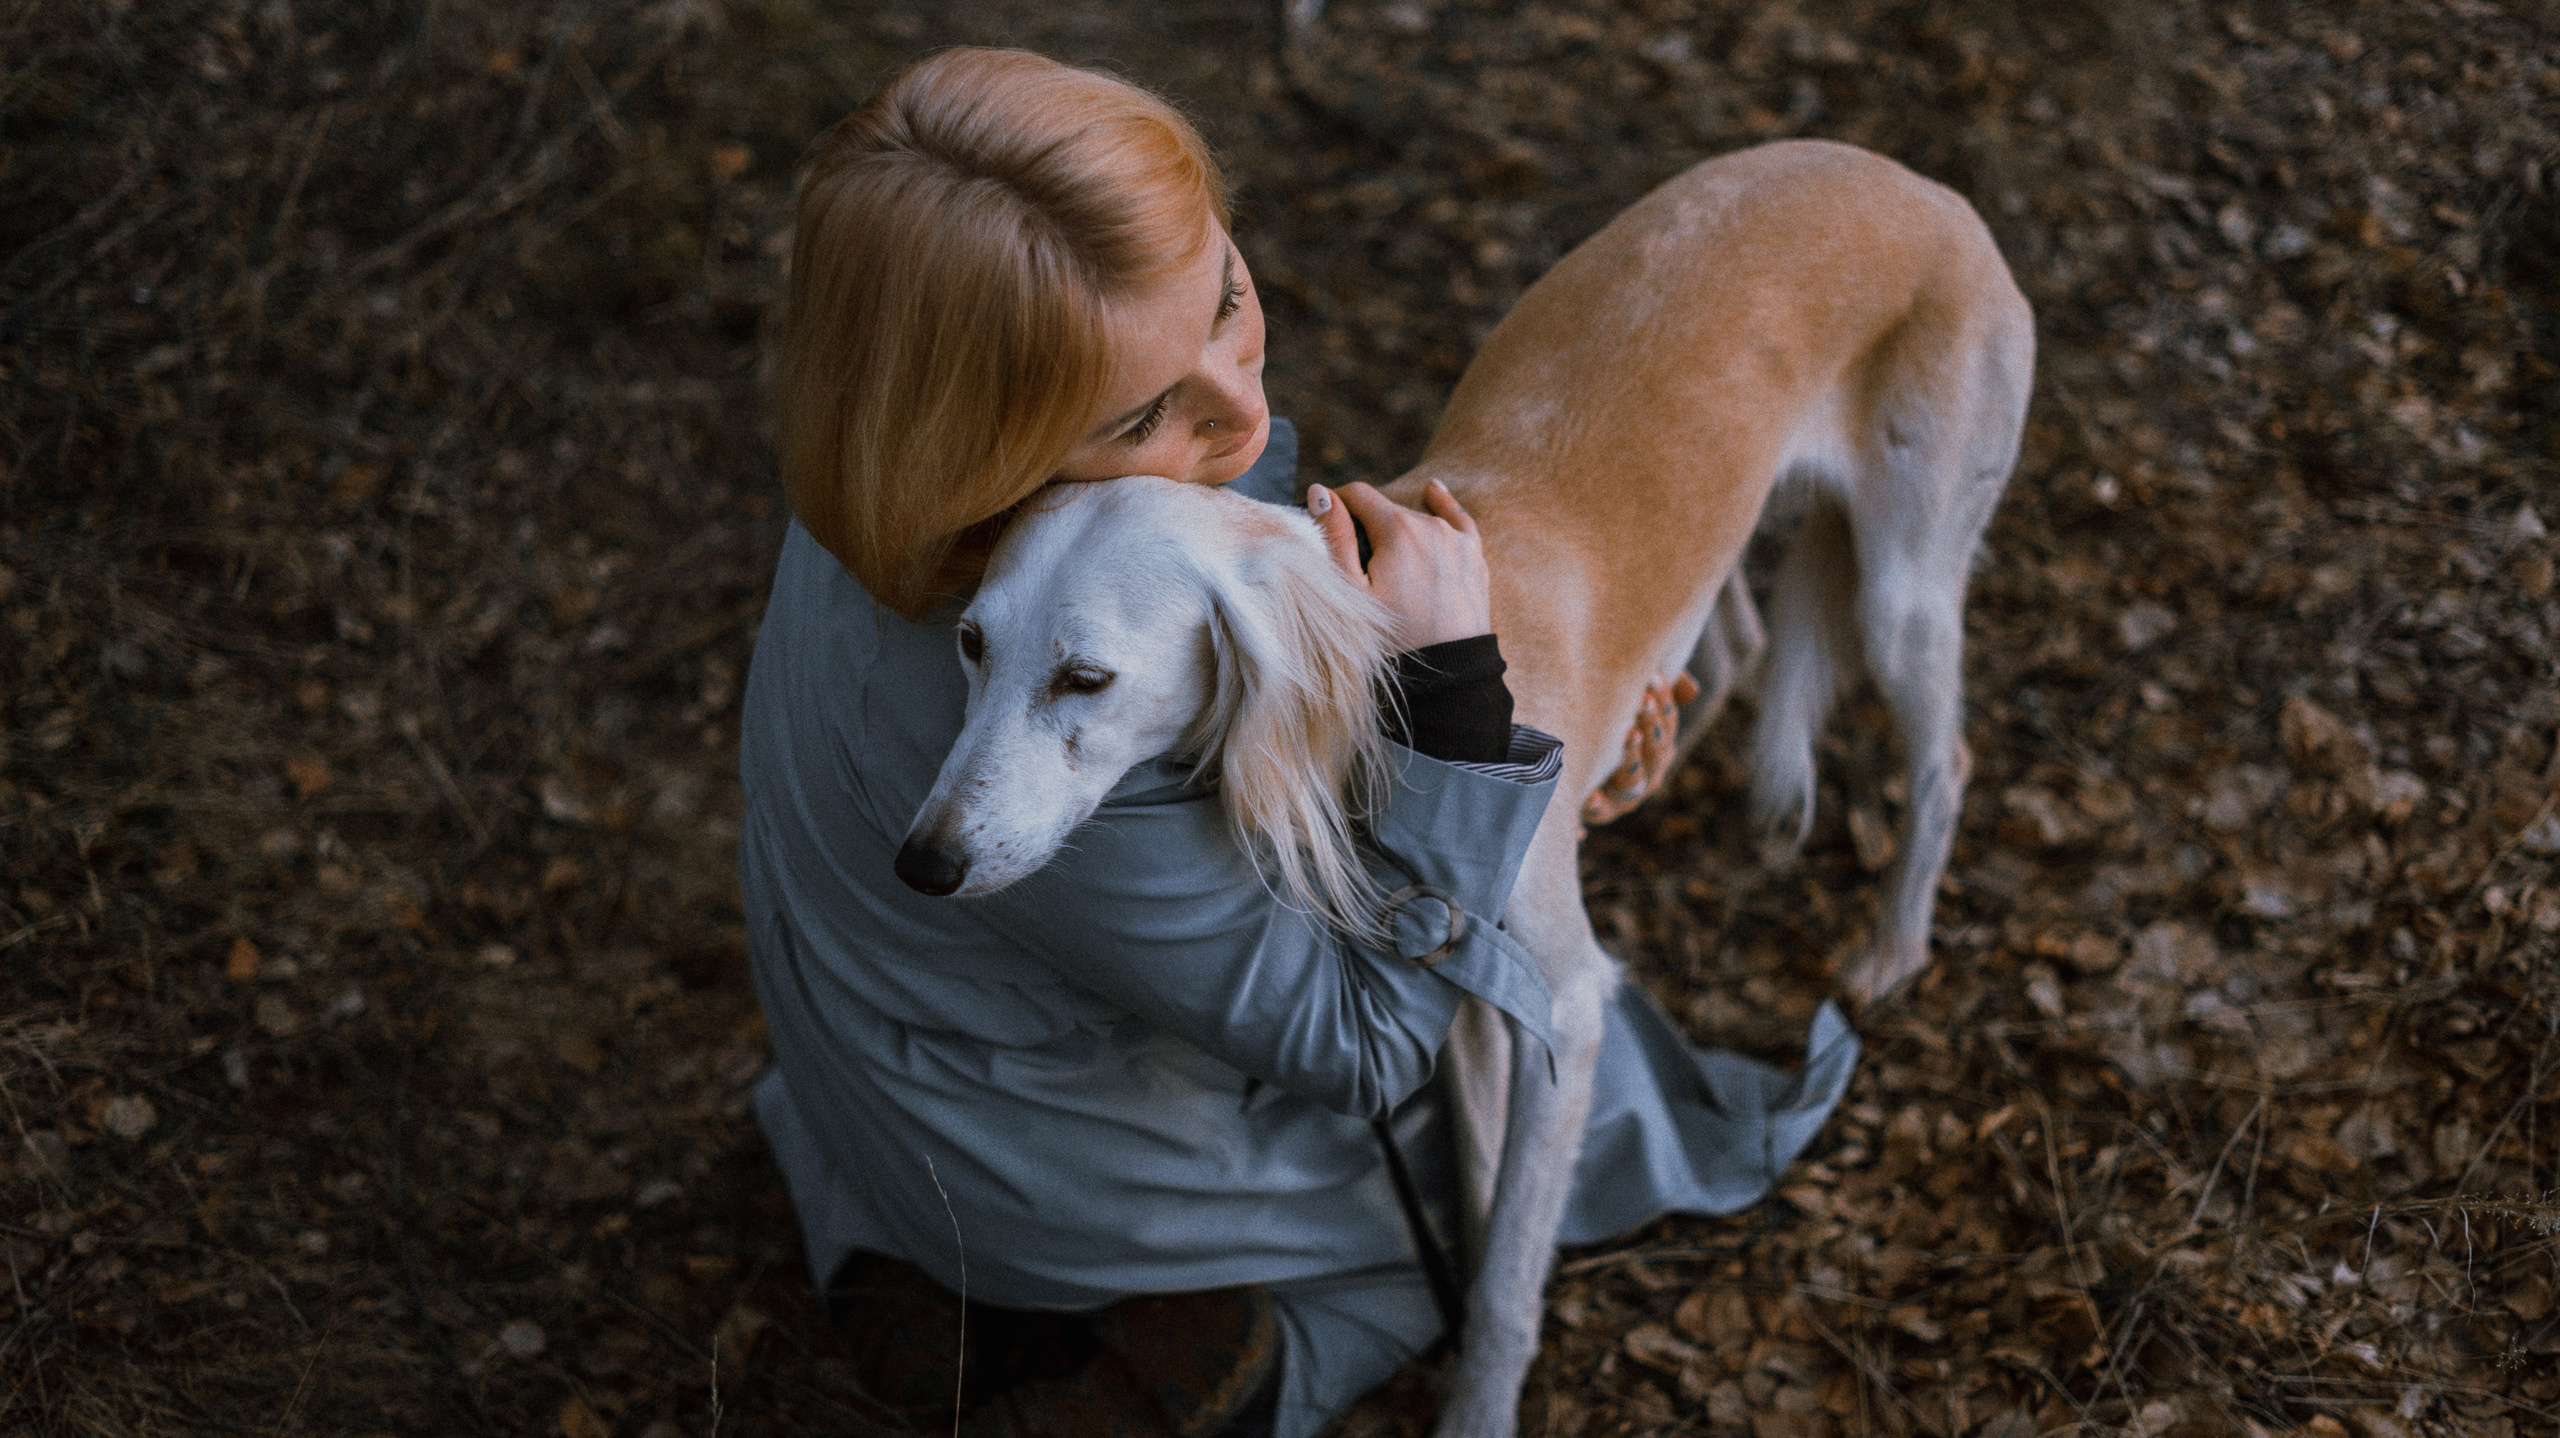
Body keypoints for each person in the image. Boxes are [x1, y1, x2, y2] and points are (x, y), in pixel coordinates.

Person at [742, 47, 1856, 1438]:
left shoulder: (906, 480)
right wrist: (1461, 714)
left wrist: (1545, 765)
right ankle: (1233, 1358)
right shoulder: (1049, 716)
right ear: (995, 429)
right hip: (1031, 1151)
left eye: (1226, 298)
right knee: (1547, 1122)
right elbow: (1370, 1041)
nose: (1239, 404)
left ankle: (927, 1271)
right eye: (1143, 413)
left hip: (874, 1058)